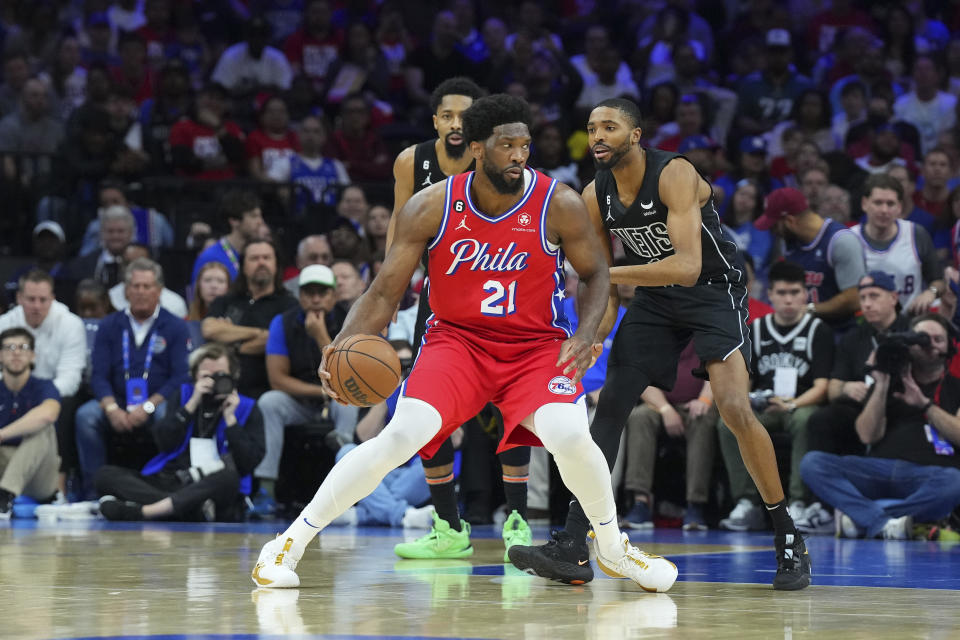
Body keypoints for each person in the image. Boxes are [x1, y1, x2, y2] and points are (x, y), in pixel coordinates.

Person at [251, 94, 678, 593]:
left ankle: (612, 548)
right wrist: (343, 341)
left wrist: (587, 333)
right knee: (399, 437)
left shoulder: (556, 202)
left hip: (535, 346)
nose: (519, 155)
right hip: (457, 343)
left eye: (525, 145)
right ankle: (288, 542)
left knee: (570, 435)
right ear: (477, 147)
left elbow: (596, 272)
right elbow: (386, 290)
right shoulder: (430, 206)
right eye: (506, 146)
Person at [509, 98, 810, 591]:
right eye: (592, 128)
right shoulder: (593, 194)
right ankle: (571, 542)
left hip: (714, 292)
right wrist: (592, 338)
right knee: (609, 407)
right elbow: (602, 287)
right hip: (655, 299)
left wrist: (603, 274)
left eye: (610, 126)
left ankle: (787, 535)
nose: (599, 135)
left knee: (734, 408)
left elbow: (687, 266)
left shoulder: (675, 173)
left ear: (636, 135)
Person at [386, 76, 536, 558]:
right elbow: (397, 231)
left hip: (499, 295)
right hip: (440, 302)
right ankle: (449, 526)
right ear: (435, 121)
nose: (454, 124)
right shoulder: (413, 162)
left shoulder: (501, 163)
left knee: (511, 409)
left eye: (463, 116)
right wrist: (392, 298)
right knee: (428, 415)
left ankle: (517, 517)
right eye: (446, 115)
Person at [801, 314, 960, 540]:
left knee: (955, 482)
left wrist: (925, 404)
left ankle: (862, 519)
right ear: (909, 344)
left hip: (929, 475)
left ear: (949, 346)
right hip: (876, 469)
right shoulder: (888, 381)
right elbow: (867, 435)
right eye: (922, 338)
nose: (930, 345)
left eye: (938, 339)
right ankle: (887, 523)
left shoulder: (956, 387)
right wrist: (883, 384)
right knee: (812, 463)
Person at [717, 261, 833, 531]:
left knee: (806, 421)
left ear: (805, 294)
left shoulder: (819, 330)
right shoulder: (755, 330)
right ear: (770, 295)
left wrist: (791, 404)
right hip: (765, 405)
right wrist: (750, 401)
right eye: (782, 293)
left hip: (801, 404)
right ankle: (746, 502)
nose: (789, 299)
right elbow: (744, 378)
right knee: (727, 423)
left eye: (795, 292)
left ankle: (799, 502)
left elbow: (823, 386)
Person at [95, 342, 265, 522]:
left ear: (233, 376)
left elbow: (248, 463)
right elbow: (164, 442)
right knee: (105, 475)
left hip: (213, 486)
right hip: (176, 480)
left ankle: (144, 512)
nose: (214, 382)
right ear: (194, 376)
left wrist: (231, 420)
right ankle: (190, 510)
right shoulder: (184, 395)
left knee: (229, 478)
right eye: (207, 376)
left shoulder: (248, 407)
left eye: (220, 376)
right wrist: (190, 405)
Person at [75, 259, 191, 499]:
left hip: (157, 402)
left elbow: (180, 377)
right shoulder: (109, 325)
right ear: (126, 291)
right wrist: (111, 408)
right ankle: (93, 493)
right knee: (85, 417)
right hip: (116, 400)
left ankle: (161, 490)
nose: (140, 292)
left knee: (165, 418)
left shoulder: (176, 326)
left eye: (147, 286)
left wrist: (148, 406)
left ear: (159, 291)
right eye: (135, 286)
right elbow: (98, 375)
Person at [255, 265, 357, 512]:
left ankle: (344, 473)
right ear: (299, 296)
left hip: (340, 397)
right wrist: (321, 392)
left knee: (350, 398)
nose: (315, 299)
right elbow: (277, 379)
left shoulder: (351, 320)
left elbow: (351, 376)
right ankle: (265, 489)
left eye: (322, 292)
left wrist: (321, 336)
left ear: (333, 295)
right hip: (301, 400)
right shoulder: (283, 322)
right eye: (309, 292)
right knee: (269, 401)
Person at [0, 270, 86, 498]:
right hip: (9, 391)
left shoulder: (70, 324)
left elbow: (70, 378)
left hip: (48, 396)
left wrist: (35, 401)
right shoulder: (4, 324)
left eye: (43, 300)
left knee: (49, 420)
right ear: (19, 298)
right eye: (30, 299)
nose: (36, 306)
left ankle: (57, 486)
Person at [622, 341, 716, 531]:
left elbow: (717, 371)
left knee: (702, 421)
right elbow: (643, 377)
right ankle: (640, 501)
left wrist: (704, 400)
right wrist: (665, 409)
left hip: (697, 404)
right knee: (639, 417)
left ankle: (695, 505)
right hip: (660, 404)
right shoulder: (656, 331)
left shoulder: (707, 328)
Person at [755, 187, 866, 330]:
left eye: (774, 226)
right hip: (802, 331)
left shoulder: (841, 241)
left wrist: (808, 310)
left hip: (839, 332)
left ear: (789, 220)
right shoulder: (790, 242)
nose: (773, 231)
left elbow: (854, 298)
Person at [202, 240, 298, 401]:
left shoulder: (289, 304)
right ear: (243, 267)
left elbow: (275, 340)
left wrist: (232, 342)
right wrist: (258, 332)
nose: (261, 263)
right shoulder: (226, 301)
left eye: (266, 258)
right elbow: (209, 329)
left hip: (265, 389)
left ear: (276, 265)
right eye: (254, 258)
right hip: (220, 385)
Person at [851, 173, 944, 312]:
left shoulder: (916, 234)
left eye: (890, 204)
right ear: (865, 204)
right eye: (878, 203)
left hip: (910, 324)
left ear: (899, 207)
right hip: (863, 325)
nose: (884, 210)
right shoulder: (850, 239)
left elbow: (939, 280)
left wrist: (931, 292)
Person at [0, 328, 61, 518]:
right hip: (4, 465)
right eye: (9, 347)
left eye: (23, 347)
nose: (16, 352)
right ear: (0, 355)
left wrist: (2, 434)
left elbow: (48, 415)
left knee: (43, 428)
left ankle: (3, 496)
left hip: (39, 476)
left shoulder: (44, 386)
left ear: (33, 355)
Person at [191, 190, 264, 286]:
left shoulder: (260, 255)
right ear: (234, 221)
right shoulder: (210, 257)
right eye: (253, 216)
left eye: (260, 216)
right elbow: (196, 296)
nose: (260, 222)